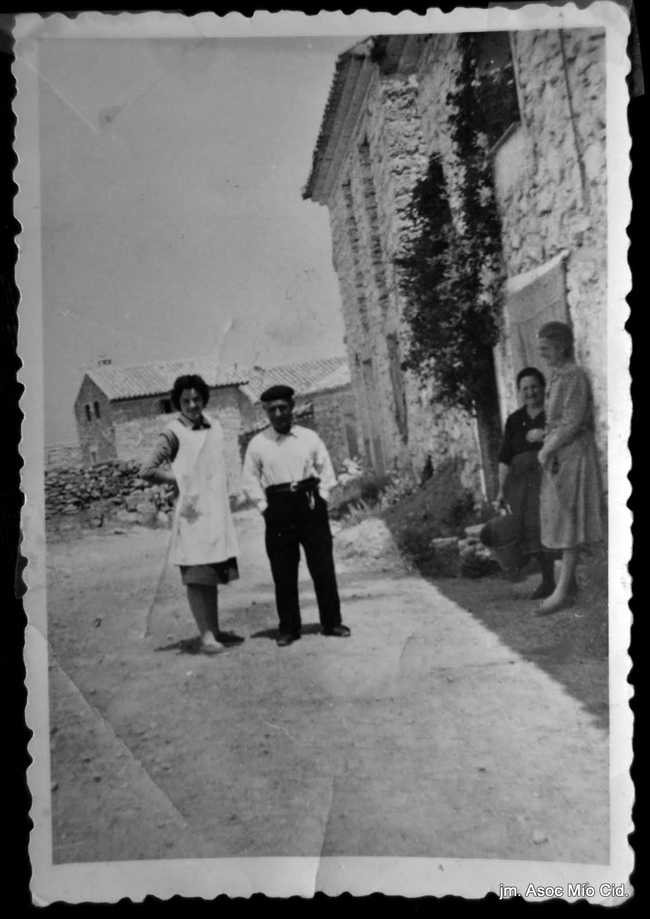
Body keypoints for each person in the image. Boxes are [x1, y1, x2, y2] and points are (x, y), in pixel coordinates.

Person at [140, 374, 242, 653]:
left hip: (215, 512)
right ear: (177, 402)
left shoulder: (215, 427)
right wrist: (177, 480)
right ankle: (205, 635)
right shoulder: (172, 432)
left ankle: (216, 630)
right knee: (197, 575)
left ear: (204, 399)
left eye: (197, 399)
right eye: (186, 400)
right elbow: (146, 469)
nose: (192, 405)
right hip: (191, 515)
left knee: (211, 573)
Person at [242, 384, 350, 646]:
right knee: (283, 570)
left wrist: (322, 499)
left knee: (322, 565)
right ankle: (289, 628)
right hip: (277, 506)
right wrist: (264, 507)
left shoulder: (309, 438)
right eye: (272, 410)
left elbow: (326, 470)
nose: (278, 414)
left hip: (310, 502)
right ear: (266, 412)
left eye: (283, 408)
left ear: (292, 408)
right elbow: (250, 480)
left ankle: (331, 622)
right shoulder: (258, 444)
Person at [535, 321, 603, 616]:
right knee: (560, 518)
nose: (543, 355)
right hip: (560, 454)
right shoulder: (557, 376)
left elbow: (572, 421)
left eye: (547, 349)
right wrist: (547, 444)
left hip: (573, 453)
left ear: (562, 346)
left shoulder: (574, 376)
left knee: (569, 519)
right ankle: (567, 585)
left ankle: (563, 591)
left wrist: (547, 448)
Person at [495, 366, 556, 599]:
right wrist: (501, 490)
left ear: (542, 388)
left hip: (546, 477)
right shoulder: (514, 420)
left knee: (547, 525)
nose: (530, 392)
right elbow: (504, 458)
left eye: (534, 387)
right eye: (525, 388)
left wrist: (546, 434)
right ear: (519, 392)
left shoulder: (552, 414)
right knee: (529, 528)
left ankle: (553, 581)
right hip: (520, 483)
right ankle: (547, 580)